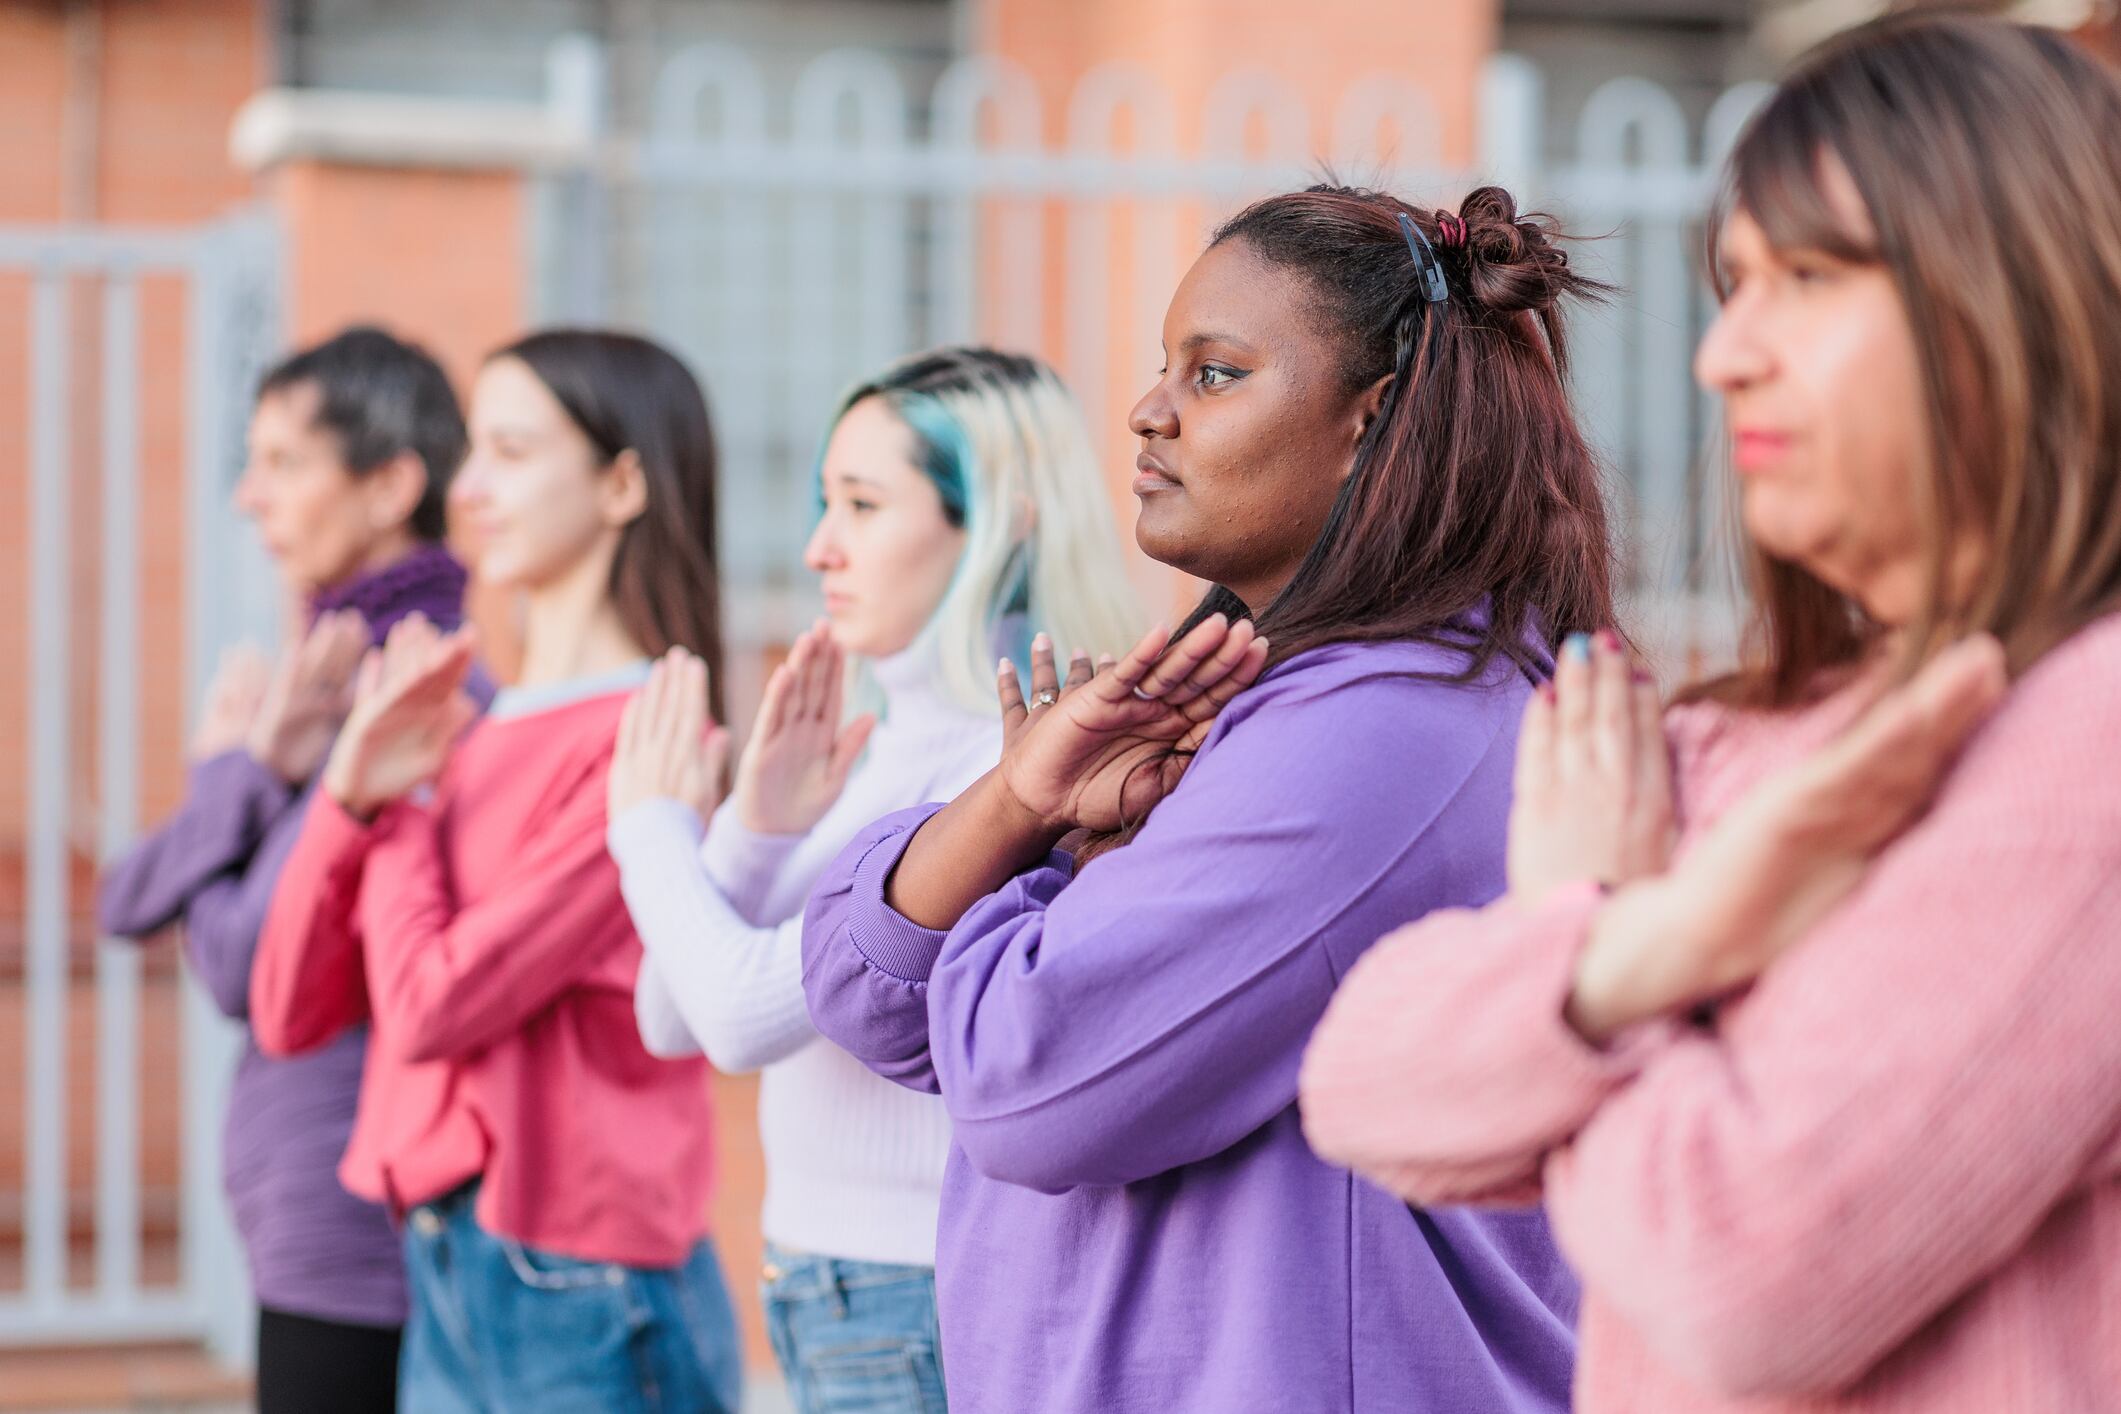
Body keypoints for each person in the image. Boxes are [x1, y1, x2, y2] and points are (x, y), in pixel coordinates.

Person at [1299, 16, 2121, 1412]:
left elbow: (1742, 1275)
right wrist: (1660, 931)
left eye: (1807, 278)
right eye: (1731, 284)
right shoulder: (1749, 737)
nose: (1722, 354)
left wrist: (1582, 953)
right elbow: (1369, 1089)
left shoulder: (2083, 739)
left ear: (2015, 303)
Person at [802, 183, 1615, 1411]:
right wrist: (1026, 801)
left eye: (1216, 374)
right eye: (1162, 368)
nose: (1147, 411)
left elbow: (1031, 1083)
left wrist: (1054, 871)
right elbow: (865, 997)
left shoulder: (1382, 730)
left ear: (1371, 420)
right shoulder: (1259, 699)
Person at [606, 346, 1141, 1412]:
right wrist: (754, 828)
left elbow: (737, 1019)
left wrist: (648, 827)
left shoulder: (996, 764)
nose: (819, 547)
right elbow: (668, 1014)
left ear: (998, 519)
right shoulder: (890, 747)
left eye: (861, 503)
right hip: (833, 1294)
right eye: (822, 502)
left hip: (907, 1297)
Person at [250, 330, 741, 1413]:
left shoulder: (649, 733)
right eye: (471, 452)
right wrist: (349, 794)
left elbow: (430, 1005)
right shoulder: (461, 726)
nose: (468, 490)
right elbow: (285, 1009)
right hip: (447, 1261)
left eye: (510, 453)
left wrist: (403, 804)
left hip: (578, 1276)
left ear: (622, 483)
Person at [98, 327, 473, 1413]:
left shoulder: (410, 693)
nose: (247, 498)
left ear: (392, 483)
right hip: (311, 1211)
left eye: (284, 462)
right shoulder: (322, 696)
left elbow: (243, 965)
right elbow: (126, 897)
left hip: (353, 1218)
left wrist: (226, 770)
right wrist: (253, 768)